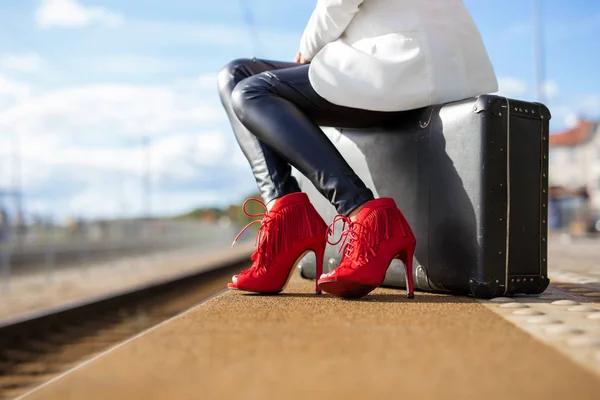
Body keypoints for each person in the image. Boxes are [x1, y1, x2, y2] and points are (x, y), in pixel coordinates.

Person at [218, 0, 498, 299]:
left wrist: (307, 52)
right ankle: (285, 218)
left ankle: (363, 212)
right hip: (402, 60)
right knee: (235, 74)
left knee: (252, 92)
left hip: (405, 63)